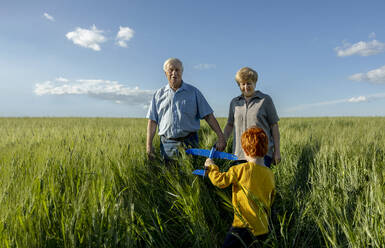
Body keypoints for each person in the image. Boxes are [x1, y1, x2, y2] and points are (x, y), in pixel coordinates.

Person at [204, 127, 275, 248]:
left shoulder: (240, 169)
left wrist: (211, 166)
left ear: (246, 151)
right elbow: (271, 198)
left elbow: (220, 181)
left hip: (242, 225)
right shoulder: (270, 174)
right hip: (262, 227)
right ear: (265, 149)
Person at [146, 58, 226, 162]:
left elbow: (208, 116)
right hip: (167, 145)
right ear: (165, 73)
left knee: (190, 174)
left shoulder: (193, 92)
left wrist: (221, 137)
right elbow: (152, 121)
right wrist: (149, 146)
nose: (174, 73)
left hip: (190, 143)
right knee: (169, 175)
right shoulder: (158, 95)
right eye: (171, 70)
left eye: (177, 70)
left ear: (182, 72)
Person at [223, 67, 281, 167]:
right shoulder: (234, 103)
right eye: (242, 84)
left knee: (258, 182)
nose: (246, 87)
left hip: (261, 154)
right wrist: (222, 140)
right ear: (239, 85)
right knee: (239, 183)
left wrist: (277, 151)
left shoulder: (265, 100)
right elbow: (229, 124)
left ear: (254, 82)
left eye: (249, 83)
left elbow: (274, 126)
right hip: (239, 155)